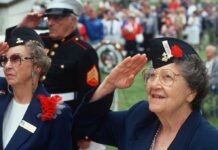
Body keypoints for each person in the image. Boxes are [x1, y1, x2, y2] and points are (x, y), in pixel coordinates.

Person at [75, 37, 218, 150]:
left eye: (167, 77)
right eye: (152, 75)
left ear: (191, 92)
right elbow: (85, 125)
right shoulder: (140, 117)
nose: (154, 84)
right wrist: (108, 85)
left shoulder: (208, 142)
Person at [5, 0, 100, 149]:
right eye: (48, 18)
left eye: (57, 18)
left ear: (73, 20)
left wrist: (84, 132)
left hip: (65, 116)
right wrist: (22, 27)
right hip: (30, 109)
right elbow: (9, 51)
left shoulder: (83, 51)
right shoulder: (39, 41)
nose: (50, 23)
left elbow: (90, 94)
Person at [0, 27, 72, 150]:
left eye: (16, 59)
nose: (7, 66)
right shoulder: (2, 94)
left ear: (37, 66)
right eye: (4, 59)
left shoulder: (56, 112)